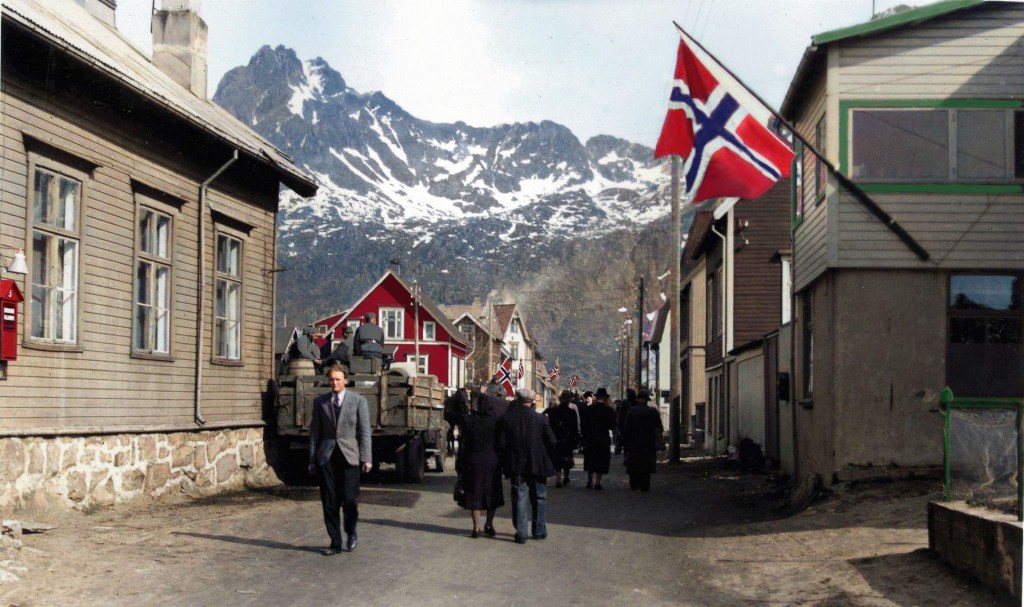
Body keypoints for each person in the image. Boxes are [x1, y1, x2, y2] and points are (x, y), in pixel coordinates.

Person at [307, 362, 373, 555]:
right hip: (327, 458)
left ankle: (351, 532)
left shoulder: (358, 401)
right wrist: (312, 460)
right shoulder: (321, 402)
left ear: (346, 380)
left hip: (349, 457)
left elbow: (364, 432)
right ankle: (335, 543)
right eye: (331, 379)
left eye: (337, 379)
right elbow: (315, 434)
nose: (334, 383)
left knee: (350, 500)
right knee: (329, 501)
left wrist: (366, 458)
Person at [495, 387, 557, 544]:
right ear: (532, 401)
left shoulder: (507, 419)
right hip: (538, 464)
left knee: (519, 498)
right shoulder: (541, 419)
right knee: (539, 497)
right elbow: (552, 442)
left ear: (518, 400)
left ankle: (521, 532)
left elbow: (501, 444)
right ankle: (539, 530)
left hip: (516, 465)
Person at [455, 390, 505, 538]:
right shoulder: (496, 421)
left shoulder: (468, 420)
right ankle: (489, 523)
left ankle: (476, 527)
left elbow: (463, 443)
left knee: (474, 493)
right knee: (492, 493)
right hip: (492, 462)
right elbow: (501, 443)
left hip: (473, 461)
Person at [622, 390, 664, 492]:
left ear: (638, 400)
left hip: (634, 441)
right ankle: (645, 484)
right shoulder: (653, 412)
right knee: (646, 464)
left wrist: (625, 440)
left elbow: (626, 427)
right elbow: (659, 427)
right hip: (648, 441)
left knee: (634, 463)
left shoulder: (632, 411)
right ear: (647, 400)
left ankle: (634, 483)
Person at [580, 387, 617, 490]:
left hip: (590, 438)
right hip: (602, 438)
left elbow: (583, 425)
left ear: (596, 397)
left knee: (590, 459)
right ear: (605, 398)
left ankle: (589, 480)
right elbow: (613, 426)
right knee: (601, 460)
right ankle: (597, 482)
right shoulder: (609, 410)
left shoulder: (589, 409)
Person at [544, 390, 580, 488]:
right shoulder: (572, 412)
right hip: (567, 438)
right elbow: (575, 427)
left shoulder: (552, 411)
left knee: (557, 459)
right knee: (567, 457)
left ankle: (558, 478)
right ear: (570, 400)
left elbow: (544, 417)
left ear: (560, 399)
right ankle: (566, 476)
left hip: (556, 438)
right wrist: (576, 439)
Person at [444, 386, 471, 456]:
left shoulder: (461, 397)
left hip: (457, 415)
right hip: (454, 415)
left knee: (454, 432)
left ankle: (454, 448)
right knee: (451, 432)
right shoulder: (461, 397)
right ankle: (452, 448)